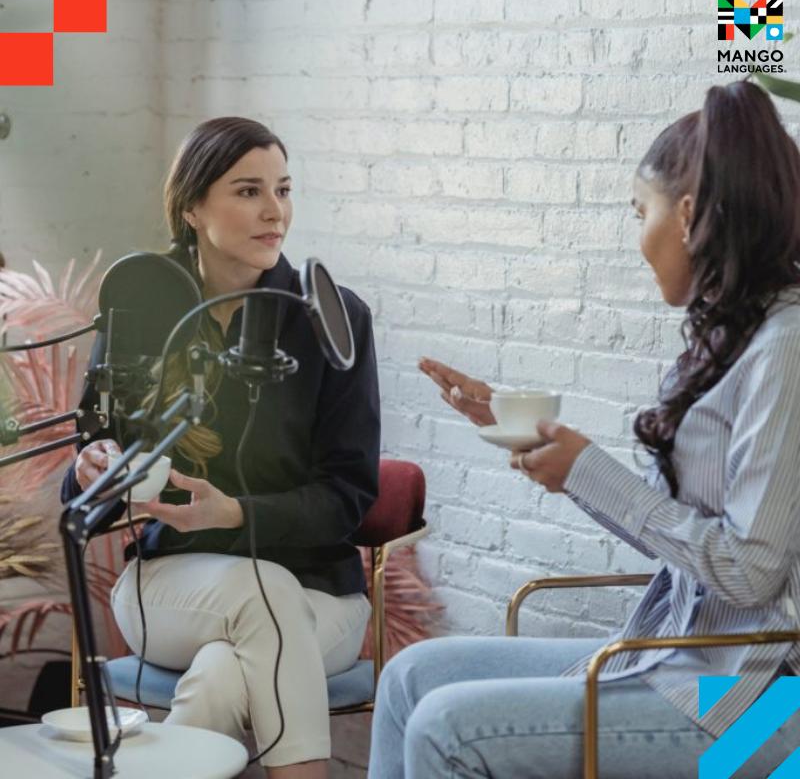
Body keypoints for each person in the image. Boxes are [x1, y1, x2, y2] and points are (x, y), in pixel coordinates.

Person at [368, 81, 800, 778]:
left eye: (640, 213)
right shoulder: (732, 340)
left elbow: (749, 572)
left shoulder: (786, 345)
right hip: (683, 662)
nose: (638, 238)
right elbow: (686, 541)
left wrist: (588, 467)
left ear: (688, 215)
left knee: (448, 730)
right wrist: (538, 445)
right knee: (408, 678)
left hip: (764, 711)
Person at [61, 117, 380, 779]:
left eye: (283, 190)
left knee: (222, 674)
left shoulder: (332, 317)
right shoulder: (142, 307)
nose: (275, 211)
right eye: (248, 191)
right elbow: (88, 482)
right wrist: (92, 470)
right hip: (169, 589)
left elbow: (347, 497)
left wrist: (235, 513)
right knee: (261, 592)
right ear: (192, 207)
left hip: (320, 597)